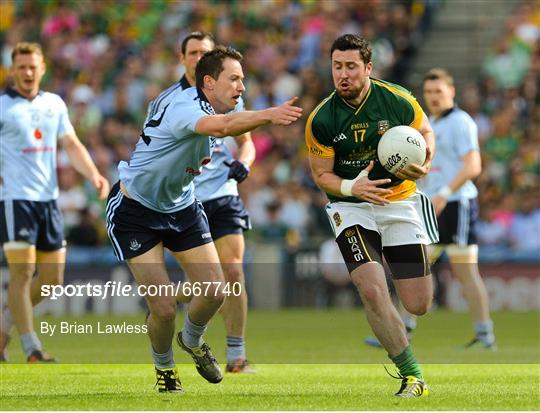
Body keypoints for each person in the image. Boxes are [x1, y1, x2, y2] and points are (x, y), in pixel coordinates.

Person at [106, 46, 302, 393]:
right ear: (209, 82)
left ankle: (193, 341)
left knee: (215, 290)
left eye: (243, 79)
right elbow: (224, 127)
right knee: (164, 307)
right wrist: (270, 114)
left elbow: (235, 129)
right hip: (135, 211)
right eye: (235, 79)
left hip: (181, 207)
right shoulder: (184, 106)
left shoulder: (216, 104)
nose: (242, 87)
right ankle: (165, 369)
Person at [306, 34, 437, 398]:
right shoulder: (322, 118)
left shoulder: (396, 100)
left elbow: (425, 132)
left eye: (350, 67)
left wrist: (425, 161)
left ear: (368, 68)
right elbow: (321, 175)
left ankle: (404, 325)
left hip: (398, 202)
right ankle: (412, 376)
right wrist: (352, 189)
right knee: (373, 288)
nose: (342, 74)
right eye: (337, 67)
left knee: (418, 304)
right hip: (350, 207)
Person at [365, 69, 496, 350]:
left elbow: (473, 166)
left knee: (464, 272)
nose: (433, 97)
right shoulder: (427, 124)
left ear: (452, 92)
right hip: (430, 203)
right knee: (417, 264)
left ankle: (484, 334)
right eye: (429, 92)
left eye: (439, 91)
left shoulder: (461, 122)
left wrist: (445, 194)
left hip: (456, 204)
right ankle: (402, 329)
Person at [0, 42, 109, 362]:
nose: (28, 72)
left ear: (43, 68)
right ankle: (32, 347)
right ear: (13, 70)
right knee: (23, 272)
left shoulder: (55, 104)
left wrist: (93, 175)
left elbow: (72, 144)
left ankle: (3, 326)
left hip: (49, 201)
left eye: (33, 66)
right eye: (21, 67)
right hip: (15, 199)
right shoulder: (3, 106)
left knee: (51, 281)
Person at [178, 32, 256, 373]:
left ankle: (236, 354)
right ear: (182, 59)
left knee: (234, 270)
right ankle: (174, 307)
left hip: (223, 195)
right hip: (186, 200)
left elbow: (247, 142)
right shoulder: (172, 101)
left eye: (204, 53)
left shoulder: (231, 98)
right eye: (193, 53)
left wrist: (246, 163)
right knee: (208, 284)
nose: (198, 58)